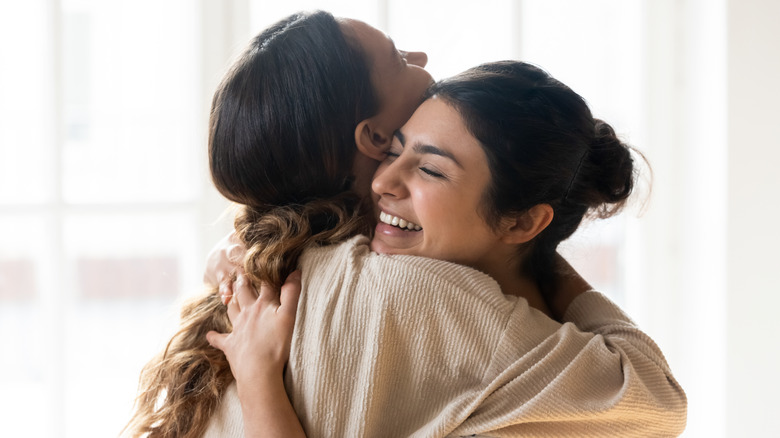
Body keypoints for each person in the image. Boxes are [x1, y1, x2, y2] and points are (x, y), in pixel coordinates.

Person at [204, 62, 687, 436]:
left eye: (430, 170)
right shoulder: (427, 297)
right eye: (393, 151)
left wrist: (256, 375)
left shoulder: (311, 261)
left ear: (520, 219)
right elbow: (658, 400)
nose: (384, 181)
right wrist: (543, 257)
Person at [123, 10, 431, 438]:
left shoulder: (261, 267)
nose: (423, 57)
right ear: (375, 138)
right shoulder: (393, 290)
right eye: (399, 59)